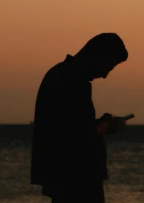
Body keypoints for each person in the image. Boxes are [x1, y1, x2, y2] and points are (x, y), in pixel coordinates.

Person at [30, 33, 130, 203]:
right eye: (108, 66)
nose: (105, 75)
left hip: (67, 177)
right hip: (76, 178)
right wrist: (105, 126)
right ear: (98, 57)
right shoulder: (71, 80)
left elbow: (71, 126)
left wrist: (100, 124)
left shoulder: (62, 75)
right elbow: (74, 133)